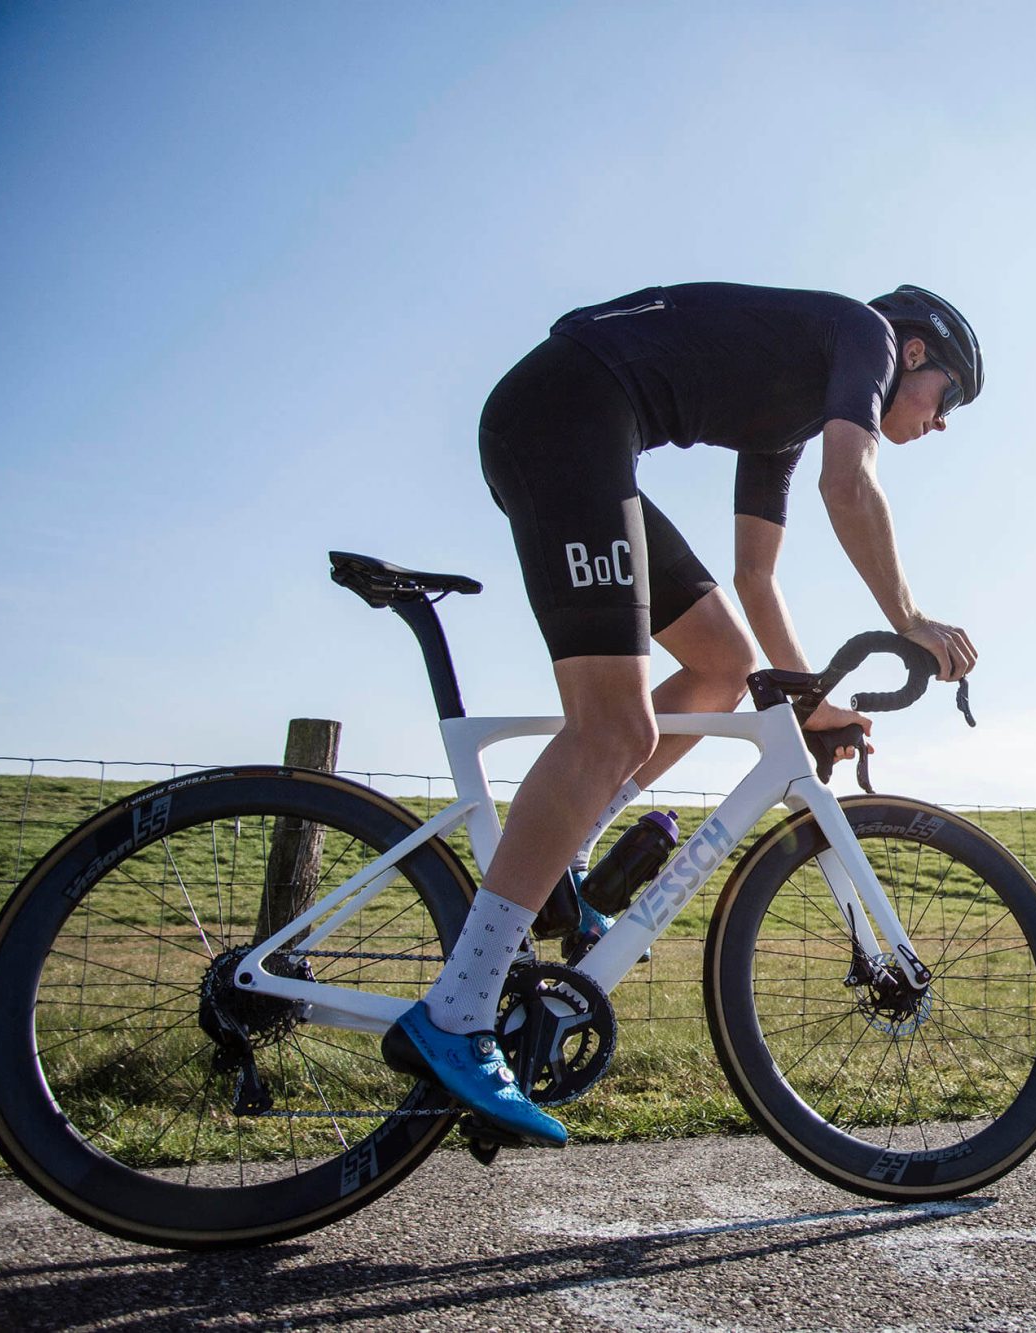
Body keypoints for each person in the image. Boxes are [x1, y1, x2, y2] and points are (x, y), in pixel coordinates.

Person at [380, 282, 984, 1145]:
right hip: (569, 415)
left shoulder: (790, 413)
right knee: (614, 724)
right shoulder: (866, 336)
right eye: (951, 395)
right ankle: (460, 1008)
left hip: (579, 422)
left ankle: (566, 863)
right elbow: (847, 485)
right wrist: (910, 618)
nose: (944, 419)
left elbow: (755, 579)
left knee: (723, 665)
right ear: (915, 354)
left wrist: (808, 702)